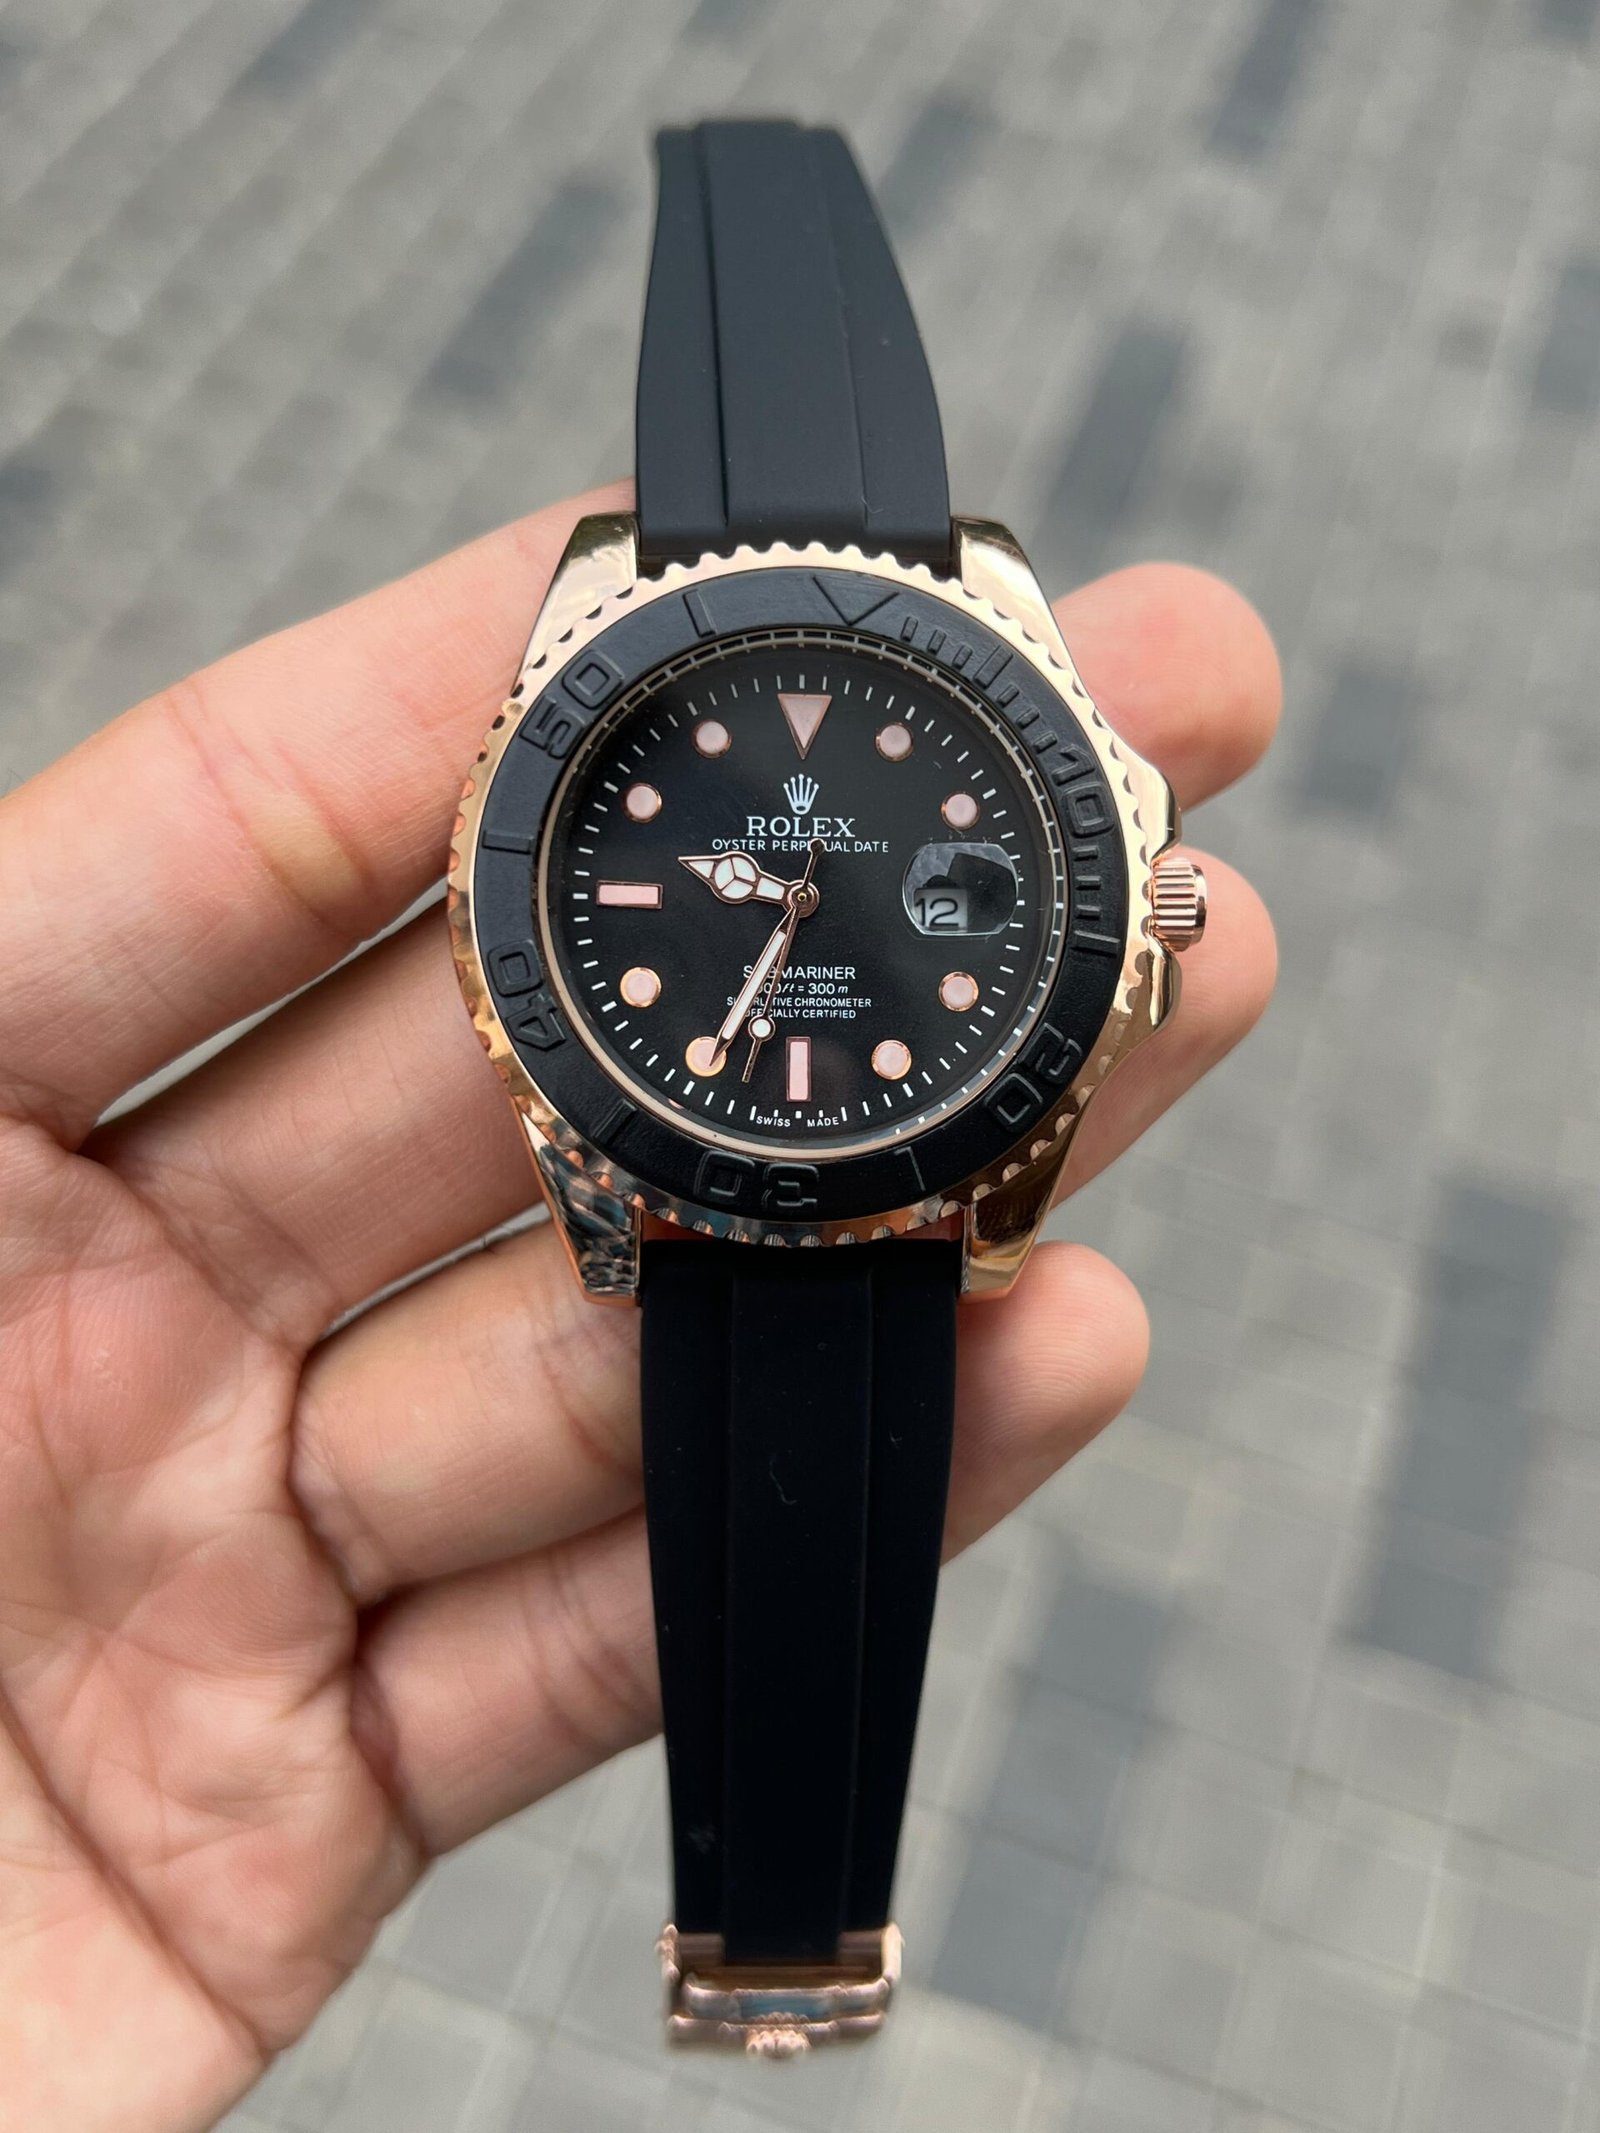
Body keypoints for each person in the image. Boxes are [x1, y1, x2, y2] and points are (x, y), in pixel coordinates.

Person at [0, 481, 1279, 2130]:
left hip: (850, 1173)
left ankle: (784, 1946)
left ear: (1138, 920)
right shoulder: (701, 798)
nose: (803, 900)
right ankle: (781, 1948)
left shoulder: (910, 792)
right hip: (682, 1183)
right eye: (782, 888)